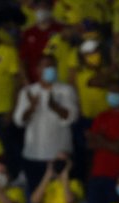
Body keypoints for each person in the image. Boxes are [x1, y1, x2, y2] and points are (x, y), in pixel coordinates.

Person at [13, 54, 79, 190]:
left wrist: (56, 108)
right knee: (35, 197)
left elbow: (72, 117)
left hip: (59, 154)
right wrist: (31, 108)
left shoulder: (66, 90)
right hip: (34, 154)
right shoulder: (28, 91)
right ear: (38, 69)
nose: (50, 69)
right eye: (46, 66)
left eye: (53, 66)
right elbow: (19, 121)